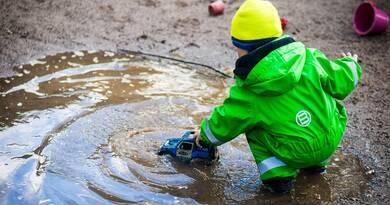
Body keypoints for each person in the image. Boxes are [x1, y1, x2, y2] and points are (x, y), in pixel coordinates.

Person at [193, 0, 362, 193]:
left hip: (293, 151)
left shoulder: (249, 91)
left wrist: (205, 135)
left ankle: (278, 178)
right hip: (329, 138)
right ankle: (315, 167)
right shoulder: (309, 57)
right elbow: (341, 79)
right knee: (324, 101)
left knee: (251, 125)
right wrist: (351, 63)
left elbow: (226, 121)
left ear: (243, 48)